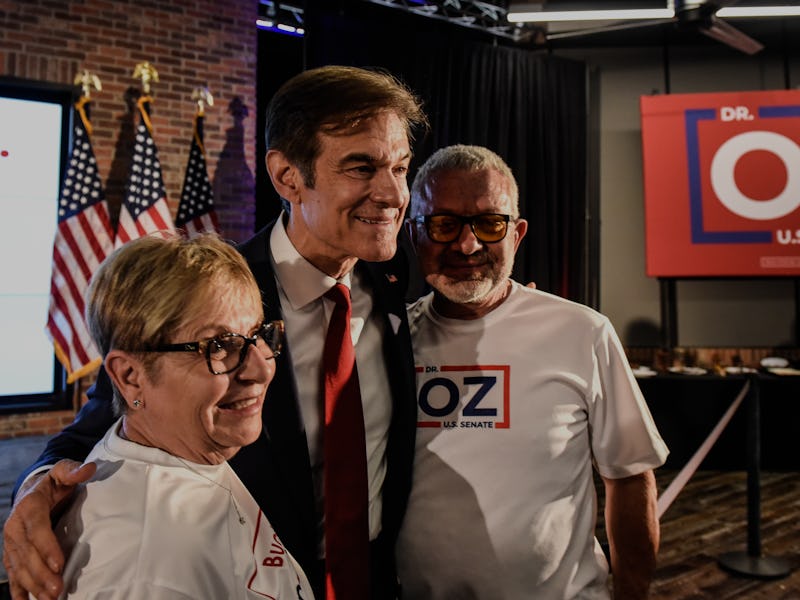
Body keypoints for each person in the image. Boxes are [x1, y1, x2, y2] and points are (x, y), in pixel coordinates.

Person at [3, 65, 427, 600]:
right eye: (361, 167)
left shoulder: (390, 275)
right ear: (287, 176)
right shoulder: (211, 296)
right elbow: (109, 421)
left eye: (400, 167)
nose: (392, 193)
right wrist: (34, 490)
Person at [396, 145, 669, 599]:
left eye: (489, 223)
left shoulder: (582, 332)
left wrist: (633, 592)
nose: (467, 245)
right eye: (444, 225)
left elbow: (630, 473)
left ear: (516, 234)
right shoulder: (389, 342)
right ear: (414, 236)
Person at [45, 232, 312, 598]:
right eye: (219, 346)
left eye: (257, 335)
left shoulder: (187, 447)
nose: (261, 370)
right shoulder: (146, 569)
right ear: (130, 377)